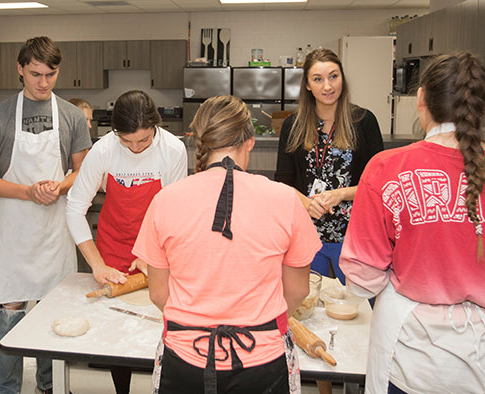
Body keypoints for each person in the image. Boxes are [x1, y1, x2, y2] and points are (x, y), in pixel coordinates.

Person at [339, 52, 485, 394]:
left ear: (422, 98)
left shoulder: (388, 168)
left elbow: (362, 278)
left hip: (417, 360)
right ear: (483, 104)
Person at [132, 95, 321, 394]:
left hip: (184, 358)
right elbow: (297, 290)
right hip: (262, 359)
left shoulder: (164, 200)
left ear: (200, 142)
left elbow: (159, 294)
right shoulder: (285, 200)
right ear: (250, 141)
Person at [0, 36, 91, 394]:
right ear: (20, 69)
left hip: (56, 227)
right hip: (15, 228)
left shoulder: (70, 115)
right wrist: (26, 191)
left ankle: (50, 383)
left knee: (54, 308)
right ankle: (5, 387)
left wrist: (58, 187)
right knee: (11, 307)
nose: (43, 82)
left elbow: (82, 174)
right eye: (35, 74)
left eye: (51, 74)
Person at [66, 90, 187, 394]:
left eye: (143, 140)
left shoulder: (172, 150)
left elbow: (175, 212)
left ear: (156, 129)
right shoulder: (103, 150)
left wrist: (151, 254)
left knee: (162, 321)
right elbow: (74, 208)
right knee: (115, 329)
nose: (135, 148)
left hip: (159, 247)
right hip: (114, 246)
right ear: (115, 132)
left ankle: (163, 384)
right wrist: (97, 263)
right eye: (126, 141)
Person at [275, 48, 384, 285]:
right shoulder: (293, 126)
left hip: (354, 237)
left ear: (343, 78)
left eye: (333, 76)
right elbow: (282, 184)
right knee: (310, 307)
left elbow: (379, 184)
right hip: (307, 234)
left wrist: (341, 194)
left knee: (357, 307)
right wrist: (307, 203)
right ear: (307, 85)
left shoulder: (364, 121)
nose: (327, 86)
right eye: (318, 79)